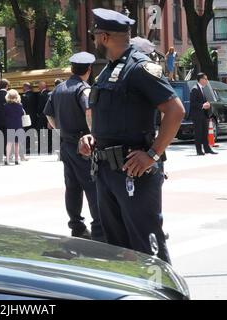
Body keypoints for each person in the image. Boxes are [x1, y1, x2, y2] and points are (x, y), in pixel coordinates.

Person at [79, 8, 185, 263]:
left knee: (147, 247)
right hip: (105, 170)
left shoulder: (139, 68)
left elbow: (175, 110)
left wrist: (152, 154)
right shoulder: (109, 70)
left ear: (104, 37)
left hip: (133, 173)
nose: (94, 40)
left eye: (95, 35)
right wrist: (92, 137)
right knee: (117, 251)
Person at [43, 52, 102, 241]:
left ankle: (76, 226)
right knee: (92, 186)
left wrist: (60, 128)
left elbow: (49, 115)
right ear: (89, 69)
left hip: (66, 144)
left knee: (72, 187)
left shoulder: (59, 88)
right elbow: (89, 111)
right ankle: (99, 227)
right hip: (83, 145)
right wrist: (93, 133)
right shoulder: (83, 89)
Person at [190, 73, 217, 155]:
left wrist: (207, 104)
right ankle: (199, 151)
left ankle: (207, 149)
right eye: (205, 79)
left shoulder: (201, 88)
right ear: (201, 79)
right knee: (198, 133)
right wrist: (203, 105)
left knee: (205, 133)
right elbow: (193, 103)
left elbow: (202, 101)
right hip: (197, 116)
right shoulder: (195, 89)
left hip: (204, 115)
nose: (206, 81)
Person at [4, 89, 25, 165]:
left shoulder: (6, 106)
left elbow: (4, 115)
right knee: (17, 143)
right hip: (18, 125)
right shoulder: (20, 105)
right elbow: (22, 114)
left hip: (9, 125)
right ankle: (16, 159)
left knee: (9, 143)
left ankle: (7, 159)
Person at [21, 82, 38, 156]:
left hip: (26, 118)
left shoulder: (24, 96)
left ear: (25, 87)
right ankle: (33, 147)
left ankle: (28, 148)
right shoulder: (36, 95)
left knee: (27, 133)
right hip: (34, 117)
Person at [37, 81, 51, 154]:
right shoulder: (48, 93)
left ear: (43, 86)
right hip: (48, 116)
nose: (38, 87)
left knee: (40, 131)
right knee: (48, 132)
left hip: (42, 116)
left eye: (39, 86)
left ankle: (40, 148)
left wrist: (38, 113)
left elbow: (41, 106)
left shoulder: (43, 94)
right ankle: (49, 148)